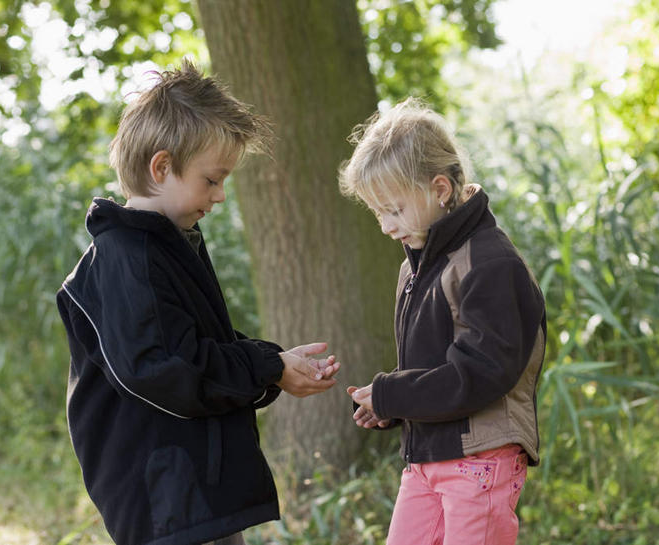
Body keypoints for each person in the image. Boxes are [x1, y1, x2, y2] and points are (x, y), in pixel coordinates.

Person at [56, 60, 340, 545]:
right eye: (212, 180)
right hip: (163, 495)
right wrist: (265, 366)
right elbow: (166, 369)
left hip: (191, 493)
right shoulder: (127, 257)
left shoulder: (169, 246)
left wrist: (274, 363)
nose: (221, 195)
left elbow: (201, 346)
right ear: (161, 167)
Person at [338, 98, 546, 545]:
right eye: (377, 213)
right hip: (427, 460)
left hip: (480, 460)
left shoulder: (489, 262)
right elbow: (434, 367)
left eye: (394, 209)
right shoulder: (416, 267)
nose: (386, 227)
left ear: (440, 189)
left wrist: (395, 393)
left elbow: (478, 373)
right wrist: (391, 405)